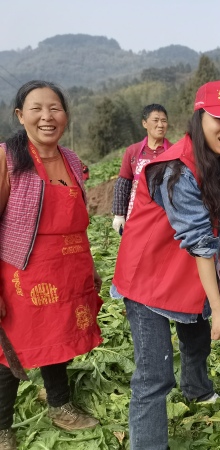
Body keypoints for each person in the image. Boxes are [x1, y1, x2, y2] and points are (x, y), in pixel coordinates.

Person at [112, 80, 220, 450]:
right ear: (198, 117)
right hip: (149, 279)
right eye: (219, 119)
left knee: (197, 339)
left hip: (184, 275)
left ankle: (196, 389)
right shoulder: (174, 169)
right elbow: (199, 242)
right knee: (153, 377)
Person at [0, 80, 103, 450]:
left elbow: (79, 221)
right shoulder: (7, 158)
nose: (47, 116)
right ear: (20, 116)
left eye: (55, 108)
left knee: (57, 340)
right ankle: (1, 427)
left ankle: (61, 406)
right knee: (9, 348)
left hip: (68, 268)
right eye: (36, 108)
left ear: (66, 115)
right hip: (23, 273)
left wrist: (89, 268)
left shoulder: (72, 160)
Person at [112, 103, 171, 234]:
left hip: (165, 220)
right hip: (136, 216)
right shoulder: (133, 151)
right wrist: (119, 215)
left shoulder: (174, 152)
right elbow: (123, 184)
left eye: (164, 121)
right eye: (155, 120)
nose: (160, 125)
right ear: (145, 123)